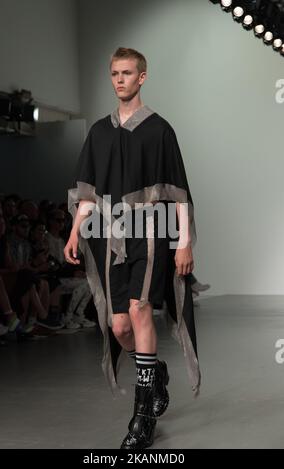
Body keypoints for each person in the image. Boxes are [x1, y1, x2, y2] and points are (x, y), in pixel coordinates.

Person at [64, 47, 201, 449]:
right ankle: (154, 370)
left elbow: (178, 194)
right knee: (118, 325)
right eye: (114, 73)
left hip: (151, 230)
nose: (119, 79)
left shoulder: (160, 130)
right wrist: (74, 231)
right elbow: (88, 192)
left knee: (141, 310)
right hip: (111, 235)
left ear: (142, 77)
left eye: (127, 73)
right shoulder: (99, 133)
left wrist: (184, 243)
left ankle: (142, 418)